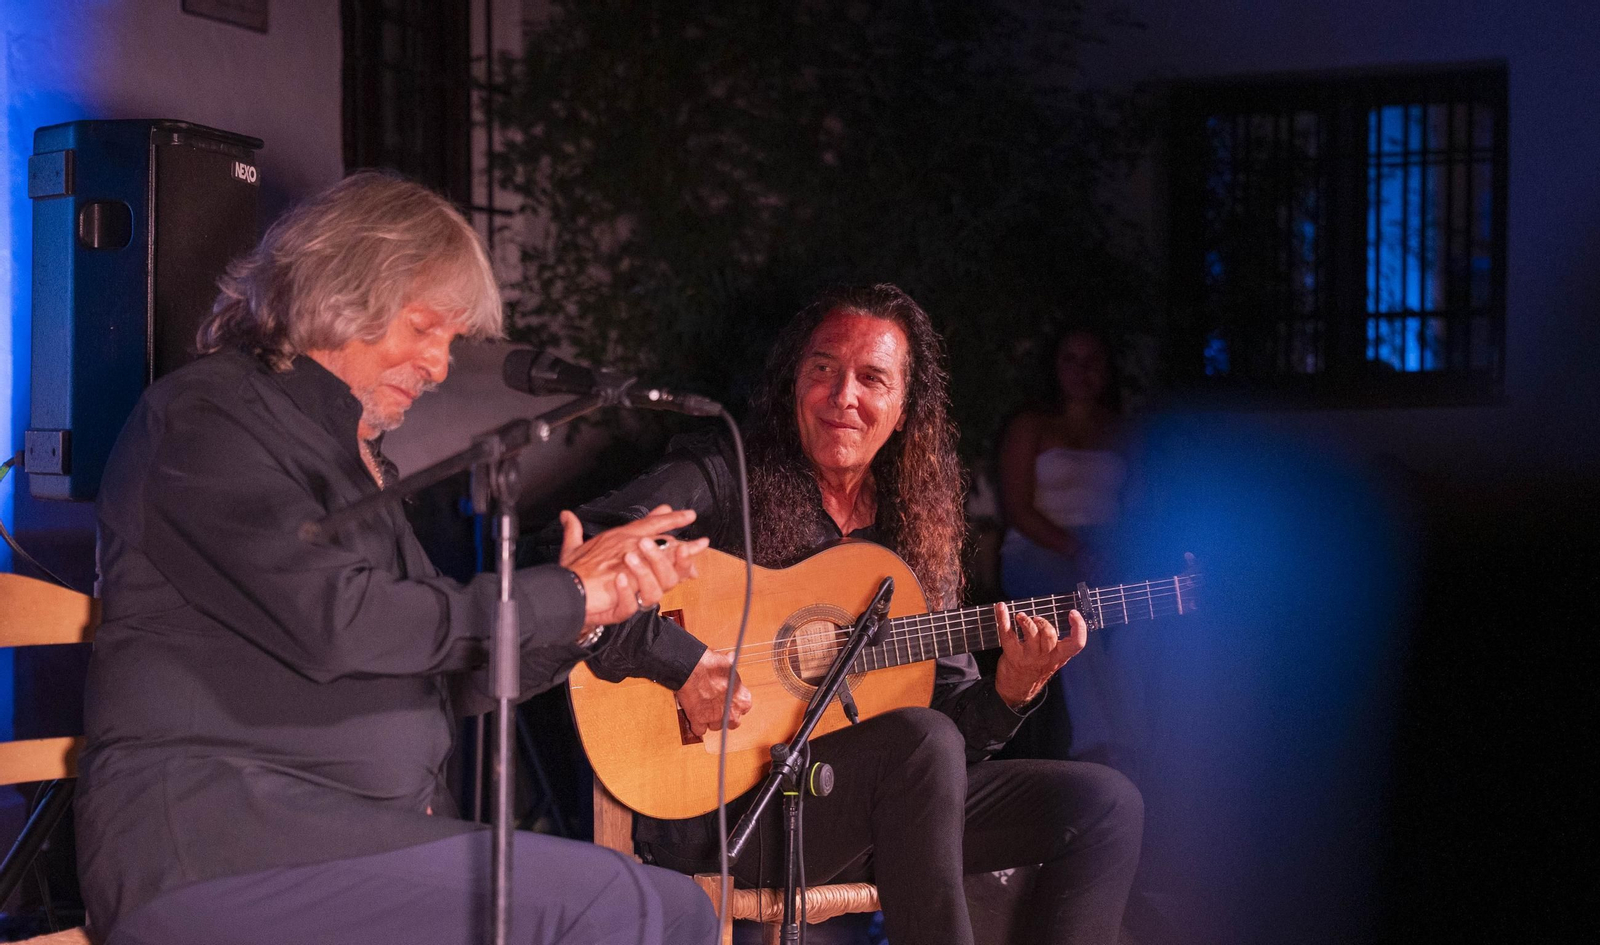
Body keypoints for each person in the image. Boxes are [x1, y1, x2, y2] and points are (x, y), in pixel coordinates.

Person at [75, 172, 718, 945]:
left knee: (674, 905)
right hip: (219, 844)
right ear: (345, 293)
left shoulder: (355, 458)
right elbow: (341, 621)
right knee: (625, 905)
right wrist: (564, 595)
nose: (442, 365)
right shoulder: (203, 421)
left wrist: (587, 618)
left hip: (351, 838)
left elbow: (437, 670)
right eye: (426, 329)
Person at [571, 285, 1144, 945]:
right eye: (823, 370)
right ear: (795, 383)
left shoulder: (914, 528)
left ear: (902, 410)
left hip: (883, 807)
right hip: (725, 811)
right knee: (923, 742)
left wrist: (1011, 691)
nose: (844, 395)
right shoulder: (725, 475)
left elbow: (956, 731)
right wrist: (684, 661)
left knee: (1104, 804)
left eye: (872, 378)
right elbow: (581, 555)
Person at [996, 327, 1145, 771]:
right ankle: (1097, 744)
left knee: (1144, 618)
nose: (1081, 372)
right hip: (1040, 546)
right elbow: (1017, 508)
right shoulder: (1032, 426)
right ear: (1054, 368)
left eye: (1092, 360)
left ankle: (1143, 741)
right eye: (1070, 360)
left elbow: (1136, 506)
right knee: (1075, 614)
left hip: (1106, 548)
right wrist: (1075, 548)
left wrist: (1120, 551)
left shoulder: (1119, 430)